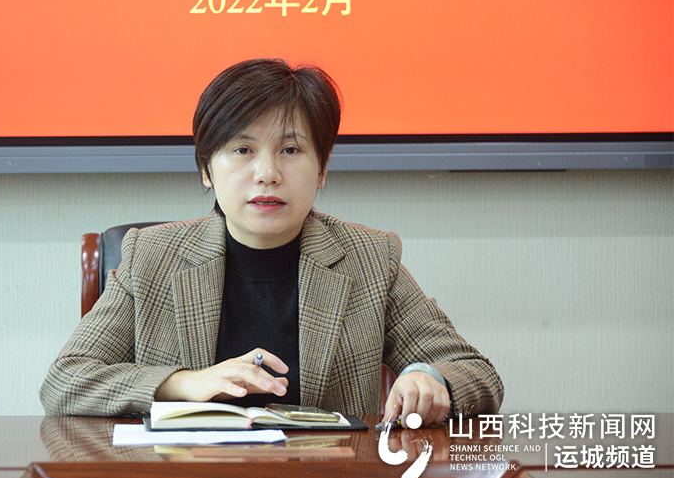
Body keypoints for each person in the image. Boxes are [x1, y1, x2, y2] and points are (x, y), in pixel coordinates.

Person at [40, 58, 503, 427]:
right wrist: (184, 384)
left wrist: (428, 377)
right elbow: (66, 380)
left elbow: (475, 372)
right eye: (243, 150)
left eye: (291, 150)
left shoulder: (368, 260)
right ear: (206, 168)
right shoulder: (152, 257)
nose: (267, 173)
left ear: (322, 169)